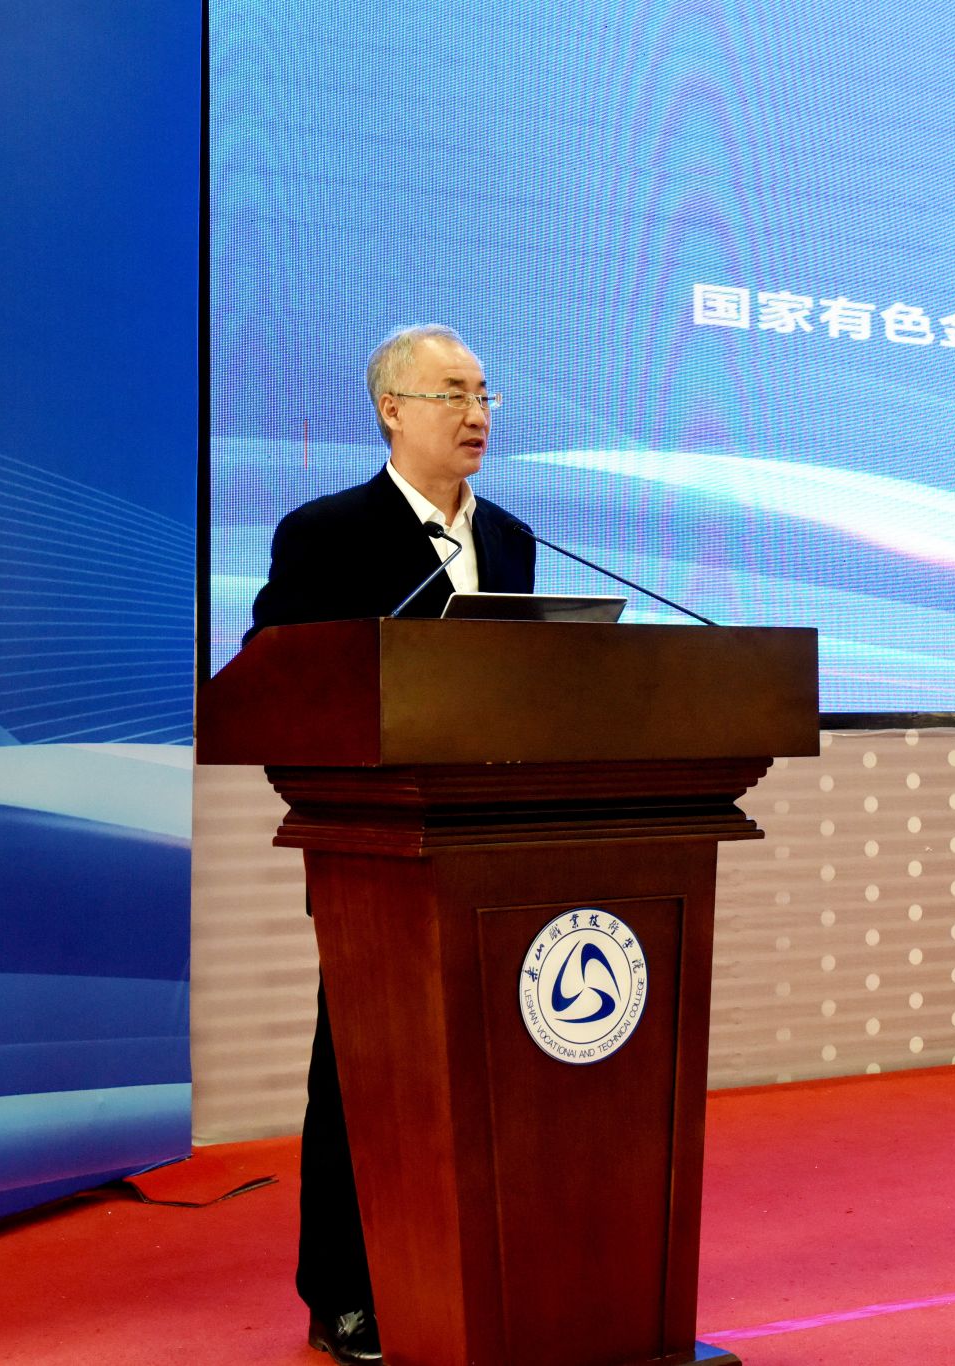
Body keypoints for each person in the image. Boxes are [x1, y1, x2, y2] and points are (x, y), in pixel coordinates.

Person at [245, 324, 537, 1364]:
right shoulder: (326, 534)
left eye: (485, 393)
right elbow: (277, 677)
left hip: (493, 852)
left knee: (490, 1072)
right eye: (453, 393)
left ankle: (476, 1265)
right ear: (392, 409)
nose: (476, 413)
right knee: (362, 1073)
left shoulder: (511, 540)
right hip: (375, 852)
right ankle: (345, 1292)